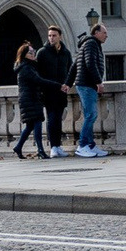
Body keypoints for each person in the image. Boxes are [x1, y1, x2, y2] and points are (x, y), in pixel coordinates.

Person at [72, 20, 110, 158]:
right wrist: (99, 82)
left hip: (86, 84)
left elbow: (75, 66)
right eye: (104, 32)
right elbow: (90, 63)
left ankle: (91, 145)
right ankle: (82, 145)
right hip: (87, 85)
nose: (106, 35)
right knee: (91, 115)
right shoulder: (91, 44)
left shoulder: (90, 44)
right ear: (96, 33)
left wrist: (67, 83)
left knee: (91, 115)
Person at [35, 28, 73, 156]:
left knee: (58, 118)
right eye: (50, 35)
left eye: (54, 35)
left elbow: (71, 70)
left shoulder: (66, 53)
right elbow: (37, 73)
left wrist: (68, 84)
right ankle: (53, 147)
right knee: (51, 118)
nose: (51, 38)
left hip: (62, 92)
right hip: (48, 91)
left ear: (60, 37)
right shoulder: (42, 53)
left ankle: (58, 146)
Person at [11, 40, 48, 158]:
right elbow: (39, 81)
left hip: (30, 98)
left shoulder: (28, 66)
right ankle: (40, 150)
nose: (33, 54)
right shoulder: (26, 68)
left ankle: (18, 147)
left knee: (30, 126)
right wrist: (58, 85)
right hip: (30, 99)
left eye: (33, 52)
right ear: (24, 55)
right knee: (37, 123)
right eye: (30, 53)